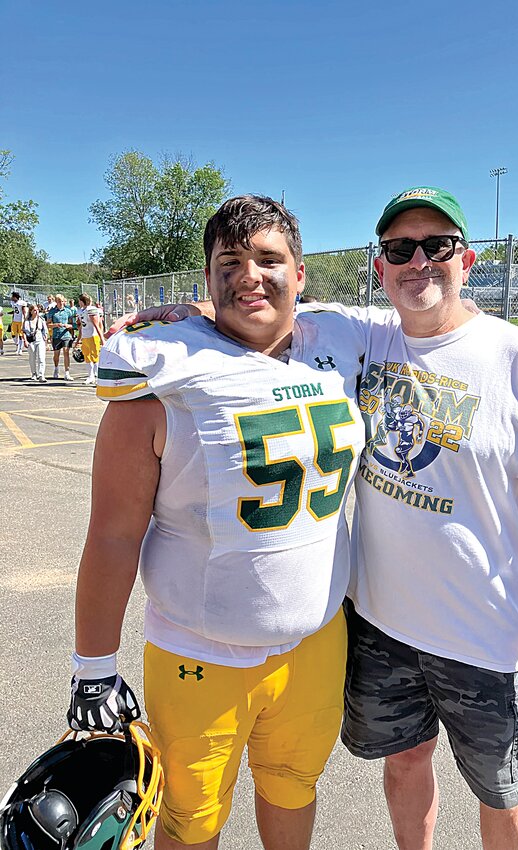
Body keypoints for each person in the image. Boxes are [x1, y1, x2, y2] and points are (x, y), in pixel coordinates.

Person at [125, 186, 518, 850]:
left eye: (438, 246)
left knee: (502, 792)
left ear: (467, 259)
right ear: (380, 268)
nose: (419, 262)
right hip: (380, 629)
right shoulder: (364, 337)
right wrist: (197, 307)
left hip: (486, 635)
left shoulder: (517, 357)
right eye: (401, 249)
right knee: (403, 765)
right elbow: (267, 300)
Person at [68, 196, 366, 850]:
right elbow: (114, 533)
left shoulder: (342, 341)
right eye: (229, 263)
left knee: (293, 785)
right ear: (206, 279)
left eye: (268, 260)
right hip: (197, 653)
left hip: (317, 639)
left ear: (301, 273)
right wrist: (92, 662)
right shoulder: (158, 369)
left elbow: (432, 312)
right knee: (188, 819)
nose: (249, 276)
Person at [74, 293, 105, 385]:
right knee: (87, 357)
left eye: (80, 300)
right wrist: (78, 339)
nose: (79, 302)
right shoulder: (80, 311)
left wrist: (102, 339)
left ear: (83, 301)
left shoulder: (92, 310)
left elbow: (97, 325)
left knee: (95, 357)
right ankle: (90, 376)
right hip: (85, 336)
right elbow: (80, 327)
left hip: (93, 335)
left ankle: (98, 377)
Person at [46, 294, 74, 380]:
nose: (61, 303)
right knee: (56, 354)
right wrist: (55, 325)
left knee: (66, 352)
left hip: (66, 335)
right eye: (59, 301)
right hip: (56, 335)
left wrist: (68, 326)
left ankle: (67, 372)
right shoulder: (52, 312)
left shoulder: (68, 311)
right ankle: (56, 368)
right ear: (56, 302)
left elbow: (72, 324)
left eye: (62, 301)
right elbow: (48, 324)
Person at [22, 304, 48, 382]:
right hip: (31, 341)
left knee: (41, 358)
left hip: (40, 340)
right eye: (34, 310)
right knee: (32, 358)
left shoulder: (41, 319)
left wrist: (46, 340)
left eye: (37, 310)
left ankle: (41, 375)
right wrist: (25, 341)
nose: (36, 311)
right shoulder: (27, 321)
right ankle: (34, 373)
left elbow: (45, 330)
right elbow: (23, 332)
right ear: (31, 311)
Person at [10, 291, 27, 355]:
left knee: (20, 335)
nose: (11, 298)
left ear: (15, 297)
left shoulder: (21, 303)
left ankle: (20, 349)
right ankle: (17, 344)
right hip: (14, 320)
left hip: (20, 321)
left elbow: (24, 311)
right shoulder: (12, 302)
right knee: (13, 334)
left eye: (12, 296)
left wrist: (25, 320)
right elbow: (15, 311)